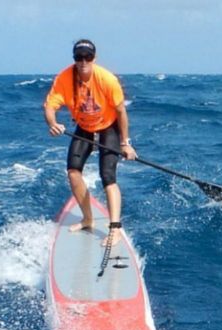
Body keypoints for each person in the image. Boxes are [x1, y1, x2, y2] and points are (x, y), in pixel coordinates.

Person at [44, 39, 136, 246]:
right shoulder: (64, 78)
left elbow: (121, 112)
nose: (83, 61)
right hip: (84, 126)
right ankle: (87, 218)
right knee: (73, 171)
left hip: (108, 126)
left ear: (94, 58)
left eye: (87, 57)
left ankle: (115, 229)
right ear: (74, 59)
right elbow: (50, 107)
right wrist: (53, 123)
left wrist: (125, 143)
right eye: (79, 57)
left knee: (108, 177)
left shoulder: (107, 79)